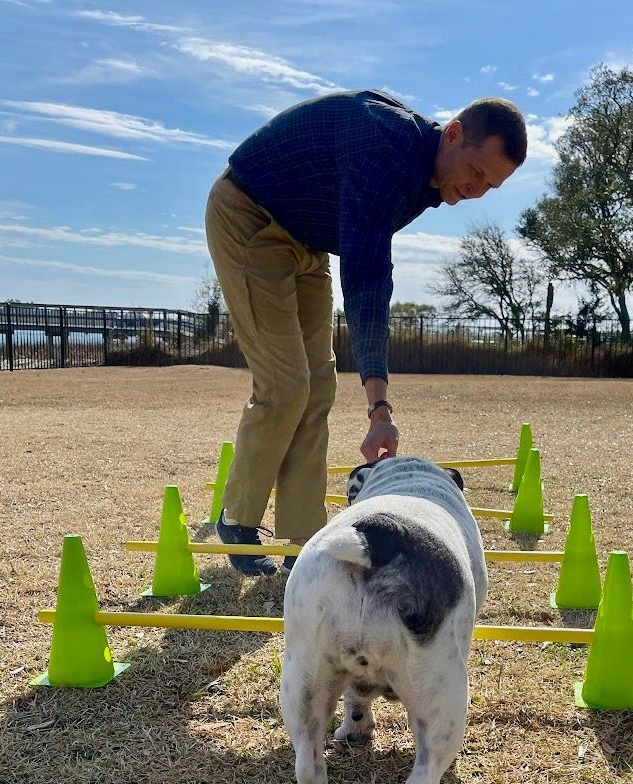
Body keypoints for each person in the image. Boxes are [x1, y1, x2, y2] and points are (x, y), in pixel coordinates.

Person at [205, 89, 526, 575]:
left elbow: (368, 262)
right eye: (476, 172)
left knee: (318, 389)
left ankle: (303, 541)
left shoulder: (431, 177)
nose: (476, 189)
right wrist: (380, 407)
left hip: (308, 243)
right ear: (454, 133)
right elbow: (368, 280)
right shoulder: (386, 149)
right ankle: (238, 517)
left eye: (490, 186)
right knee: (286, 383)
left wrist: (378, 407)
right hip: (249, 214)